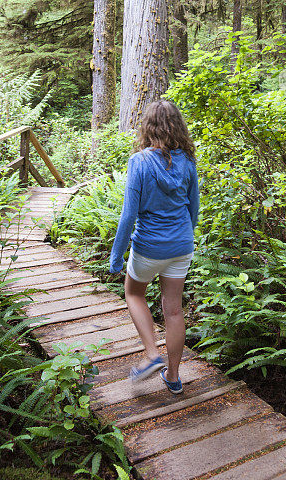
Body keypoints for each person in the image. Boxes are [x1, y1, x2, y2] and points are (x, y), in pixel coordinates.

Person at [109, 99, 199, 394]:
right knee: (173, 310)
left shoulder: (140, 162)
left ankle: (151, 354)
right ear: (178, 127)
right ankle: (173, 377)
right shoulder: (187, 160)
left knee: (133, 292)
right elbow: (193, 209)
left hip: (149, 246)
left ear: (148, 128)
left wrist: (115, 257)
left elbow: (128, 216)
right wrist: (182, 236)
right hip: (181, 245)